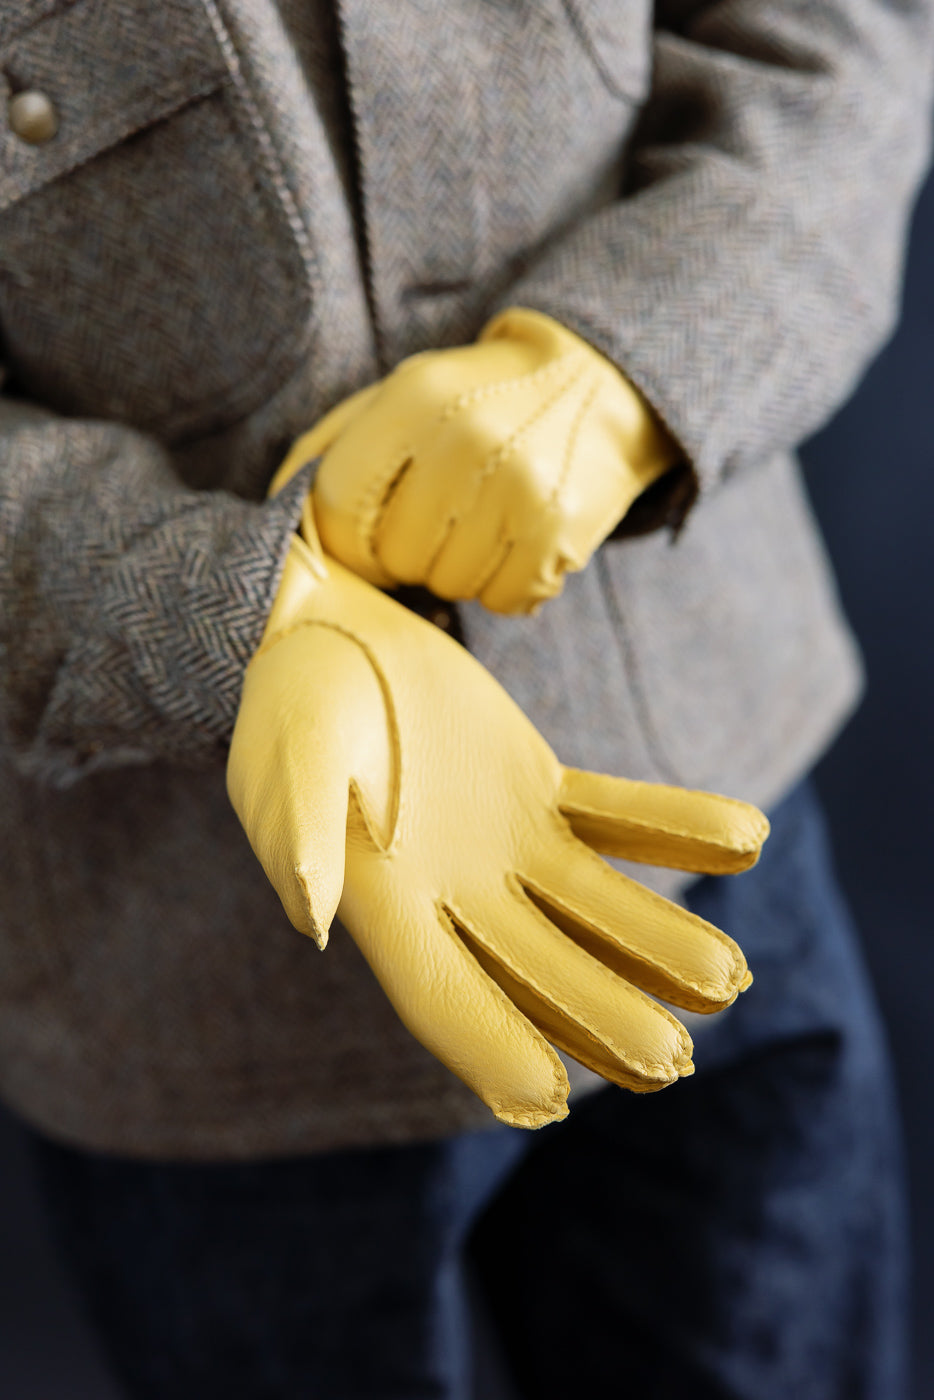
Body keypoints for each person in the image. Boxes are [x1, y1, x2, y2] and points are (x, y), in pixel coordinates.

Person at [0, 3, 930, 1396]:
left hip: (703, 788)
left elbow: (831, 38)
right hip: (184, 983)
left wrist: (630, 363)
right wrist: (205, 613)